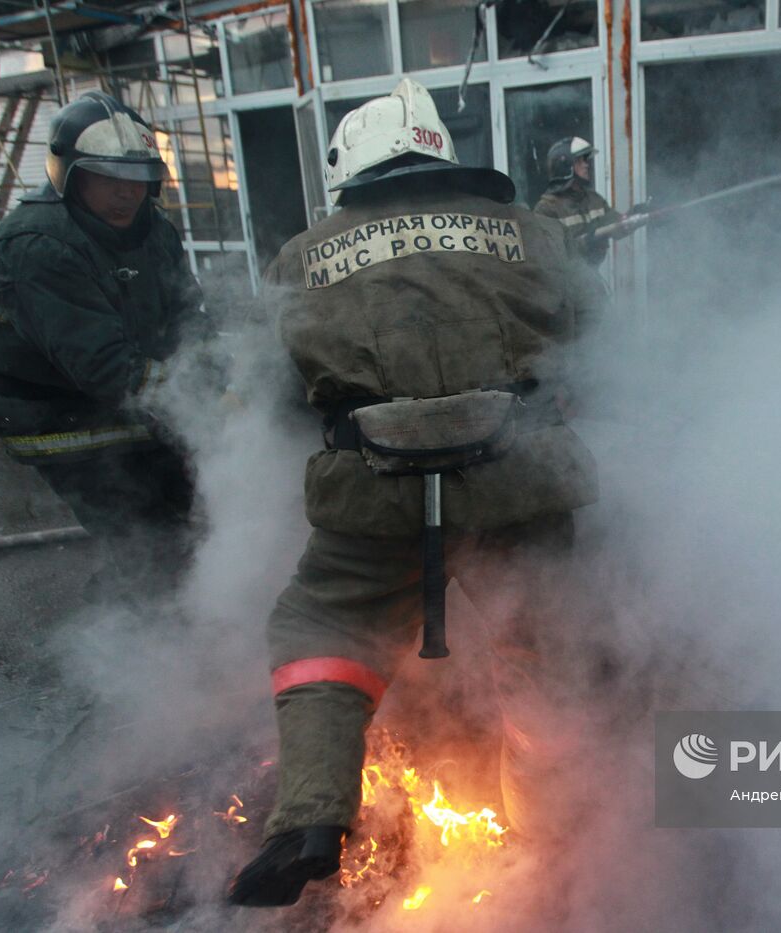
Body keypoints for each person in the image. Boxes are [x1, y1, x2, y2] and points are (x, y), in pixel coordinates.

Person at [228, 79, 606, 908]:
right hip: (521, 478)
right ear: (440, 151)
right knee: (541, 644)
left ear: (349, 170)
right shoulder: (533, 231)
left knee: (325, 623)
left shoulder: (301, 255)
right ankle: (561, 838)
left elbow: (270, 389)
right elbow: (590, 332)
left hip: (374, 486)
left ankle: (310, 820)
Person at [0, 91, 203, 599]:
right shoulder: (38, 247)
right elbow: (105, 369)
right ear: (68, 175)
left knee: (178, 513)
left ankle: (153, 603)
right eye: (107, 179)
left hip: (128, 403)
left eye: (136, 179)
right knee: (143, 532)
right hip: (55, 416)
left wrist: (220, 371)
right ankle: (130, 644)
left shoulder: (153, 230)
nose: (125, 194)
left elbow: (185, 314)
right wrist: (202, 397)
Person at [534, 136, 650, 267]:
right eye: (579, 161)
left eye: (585, 160)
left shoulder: (593, 200)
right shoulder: (547, 209)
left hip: (591, 278)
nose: (586, 165)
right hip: (561, 284)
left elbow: (615, 224)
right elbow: (548, 255)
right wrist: (587, 242)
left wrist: (632, 217)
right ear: (565, 167)